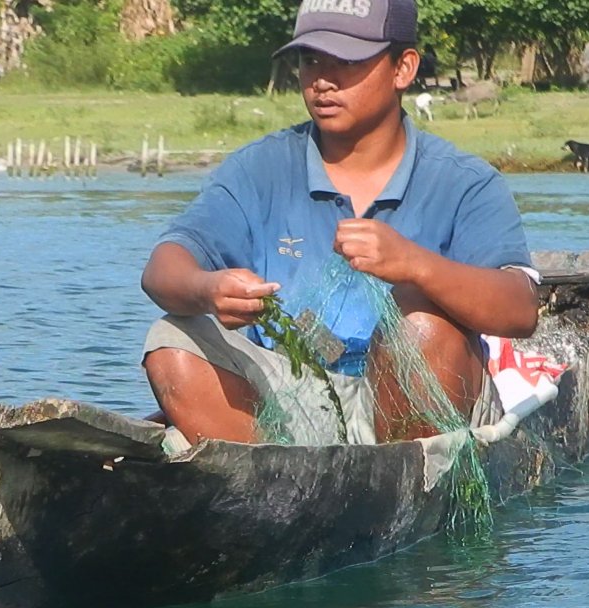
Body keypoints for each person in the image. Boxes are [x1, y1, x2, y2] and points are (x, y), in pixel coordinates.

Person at [141, 0, 539, 450]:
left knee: (424, 321)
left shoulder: (465, 182)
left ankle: (399, 488)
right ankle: (277, 485)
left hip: (419, 408)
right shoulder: (260, 168)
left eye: (346, 62)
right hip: (288, 398)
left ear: (403, 69)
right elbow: (163, 268)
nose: (322, 81)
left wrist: (415, 265)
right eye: (310, 60)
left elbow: (521, 309)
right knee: (171, 337)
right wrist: (207, 289)